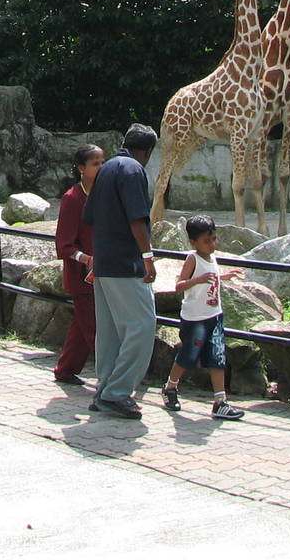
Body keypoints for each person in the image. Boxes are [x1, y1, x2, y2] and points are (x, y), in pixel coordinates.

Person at [82, 122, 159, 419]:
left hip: (104, 263)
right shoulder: (133, 170)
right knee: (142, 326)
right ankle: (117, 392)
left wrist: (97, 259)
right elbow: (137, 219)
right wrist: (148, 257)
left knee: (111, 331)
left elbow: (92, 218)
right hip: (126, 264)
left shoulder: (107, 169)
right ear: (147, 152)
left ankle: (104, 388)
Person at [160, 215, 246, 420]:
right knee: (189, 355)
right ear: (193, 242)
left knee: (217, 356)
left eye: (214, 239)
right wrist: (197, 280)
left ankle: (220, 401)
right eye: (207, 241)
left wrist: (225, 276)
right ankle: (170, 387)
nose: (212, 244)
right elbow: (179, 285)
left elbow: (212, 276)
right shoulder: (192, 259)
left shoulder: (211, 257)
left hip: (214, 315)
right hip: (194, 318)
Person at [52, 143, 105, 386]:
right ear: (81, 168)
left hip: (102, 272)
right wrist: (84, 258)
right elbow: (64, 244)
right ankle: (110, 377)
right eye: (96, 163)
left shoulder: (103, 193)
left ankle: (65, 369)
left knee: (81, 326)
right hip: (82, 276)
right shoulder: (72, 199)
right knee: (95, 328)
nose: (101, 167)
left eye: (102, 162)